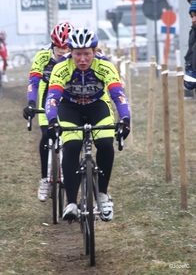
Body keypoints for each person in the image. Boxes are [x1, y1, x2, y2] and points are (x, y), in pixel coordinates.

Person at [45, 27, 131, 222]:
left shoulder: (104, 66)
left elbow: (118, 95)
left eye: (86, 54)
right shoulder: (61, 66)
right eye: (77, 54)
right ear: (70, 53)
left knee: (106, 144)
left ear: (95, 52)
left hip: (97, 106)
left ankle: (102, 195)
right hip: (70, 108)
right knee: (72, 145)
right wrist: (51, 122)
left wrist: (125, 119)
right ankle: (72, 203)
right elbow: (52, 97)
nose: (82, 59)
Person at [23, 21, 74, 202]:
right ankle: (45, 179)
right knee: (47, 136)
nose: (61, 50)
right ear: (52, 43)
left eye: (65, 47)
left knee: (71, 140)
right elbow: (34, 81)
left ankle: (69, 172)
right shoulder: (43, 56)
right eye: (57, 46)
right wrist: (30, 102)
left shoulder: (74, 58)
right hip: (47, 99)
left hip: (67, 98)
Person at [184, 0, 196, 90]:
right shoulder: (193, 32)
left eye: (195, 15)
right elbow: (190, 52)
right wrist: (190, 69)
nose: (193, 20)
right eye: (192, 16)